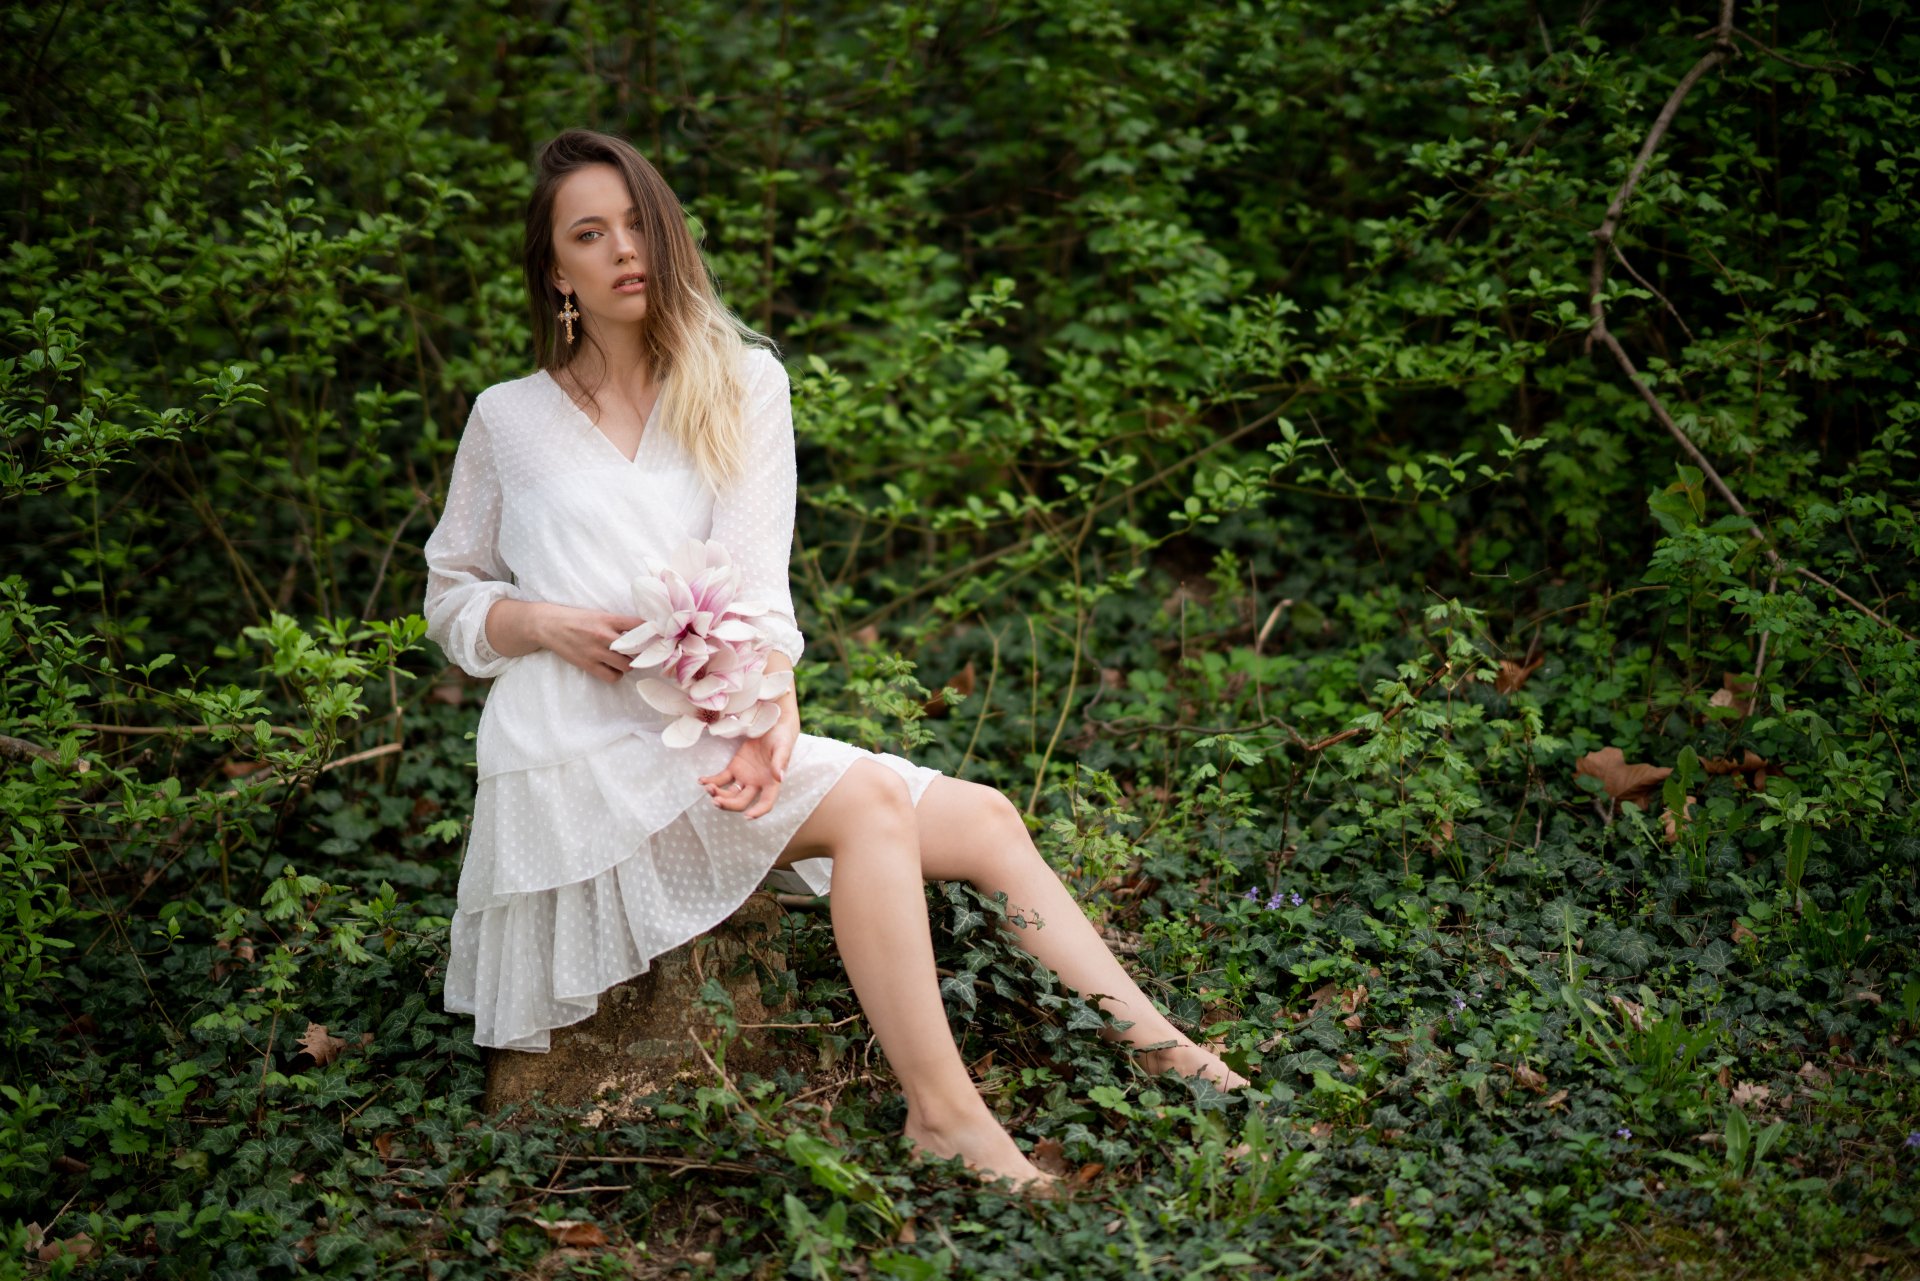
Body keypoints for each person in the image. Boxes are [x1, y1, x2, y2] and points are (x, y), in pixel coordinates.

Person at [422, 127, 1247, 1194]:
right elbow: (451, 596)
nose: (624, 249)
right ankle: (943, 1117)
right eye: (590, 233)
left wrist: (773, 718)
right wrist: (536, 624)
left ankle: (1178, 1061)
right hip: (576, 751)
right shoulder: (508, 419)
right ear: (555, 271)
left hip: (704, 725)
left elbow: (760, 589)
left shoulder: (739, 383)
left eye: (640, 224)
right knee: (867, 809)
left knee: (989, 817)